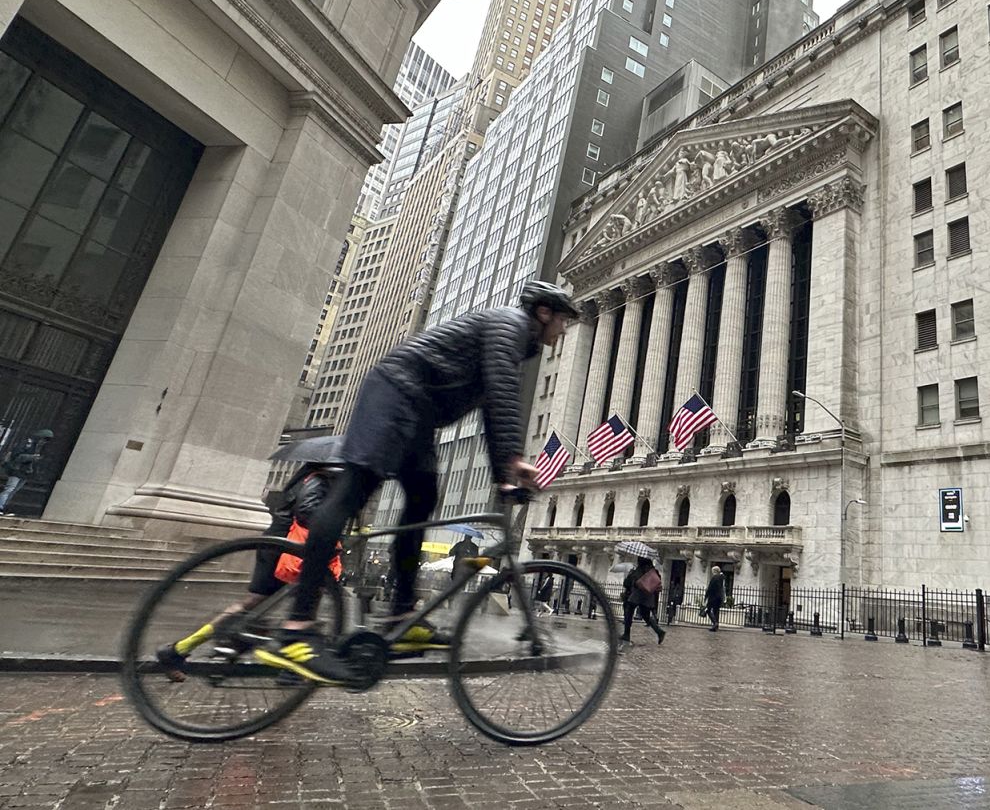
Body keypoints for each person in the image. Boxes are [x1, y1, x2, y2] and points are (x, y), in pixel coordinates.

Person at [253, 281, 577, 684]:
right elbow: (501, 393)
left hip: (418, 409)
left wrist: (503, 476)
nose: (563, 329)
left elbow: (491, 414)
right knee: (352, 494)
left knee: (423, 499)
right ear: (544, 313)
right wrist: (513, 460)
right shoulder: (508, 325)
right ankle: (296, 631)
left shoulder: (517, 341)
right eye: (563, 319)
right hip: (395, 393)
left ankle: (403, 616)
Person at [156, 461, 341, 681]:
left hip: (278, 544)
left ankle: (181, 650)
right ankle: (292, 669)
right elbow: (306, 510)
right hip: (289, 550)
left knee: (253, 604)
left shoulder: (306, 477)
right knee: (307, 606)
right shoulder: (319, 479)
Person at [0, 429, 52, 515]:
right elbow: (17, 457)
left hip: (25, 472)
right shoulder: (27, 444)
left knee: (13, 490)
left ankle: (3, 506)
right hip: (17, 470)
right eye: (44, 439)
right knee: (9, 489)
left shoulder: (38, 447)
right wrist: (32, 457)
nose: (44, 442)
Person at [620, 557, 665, 645]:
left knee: (629, 612)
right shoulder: (653, 571)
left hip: (637, 594)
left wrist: (631, 573)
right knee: (645, 615)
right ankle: (659, 631)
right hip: (648, 596)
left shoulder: (639, 569)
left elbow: (629, 582)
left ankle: (626, 634)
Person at [704, 565, 726, 632]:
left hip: (713, 597)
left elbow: (710, 588)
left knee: (708, 610)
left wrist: (706, 597)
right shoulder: (722, 578)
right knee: (716, 611)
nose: (712, 572)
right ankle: (715, 626)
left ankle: (715, 623)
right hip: (719, 597)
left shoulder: (714, 578)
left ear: (714, 571)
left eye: (712, 571)